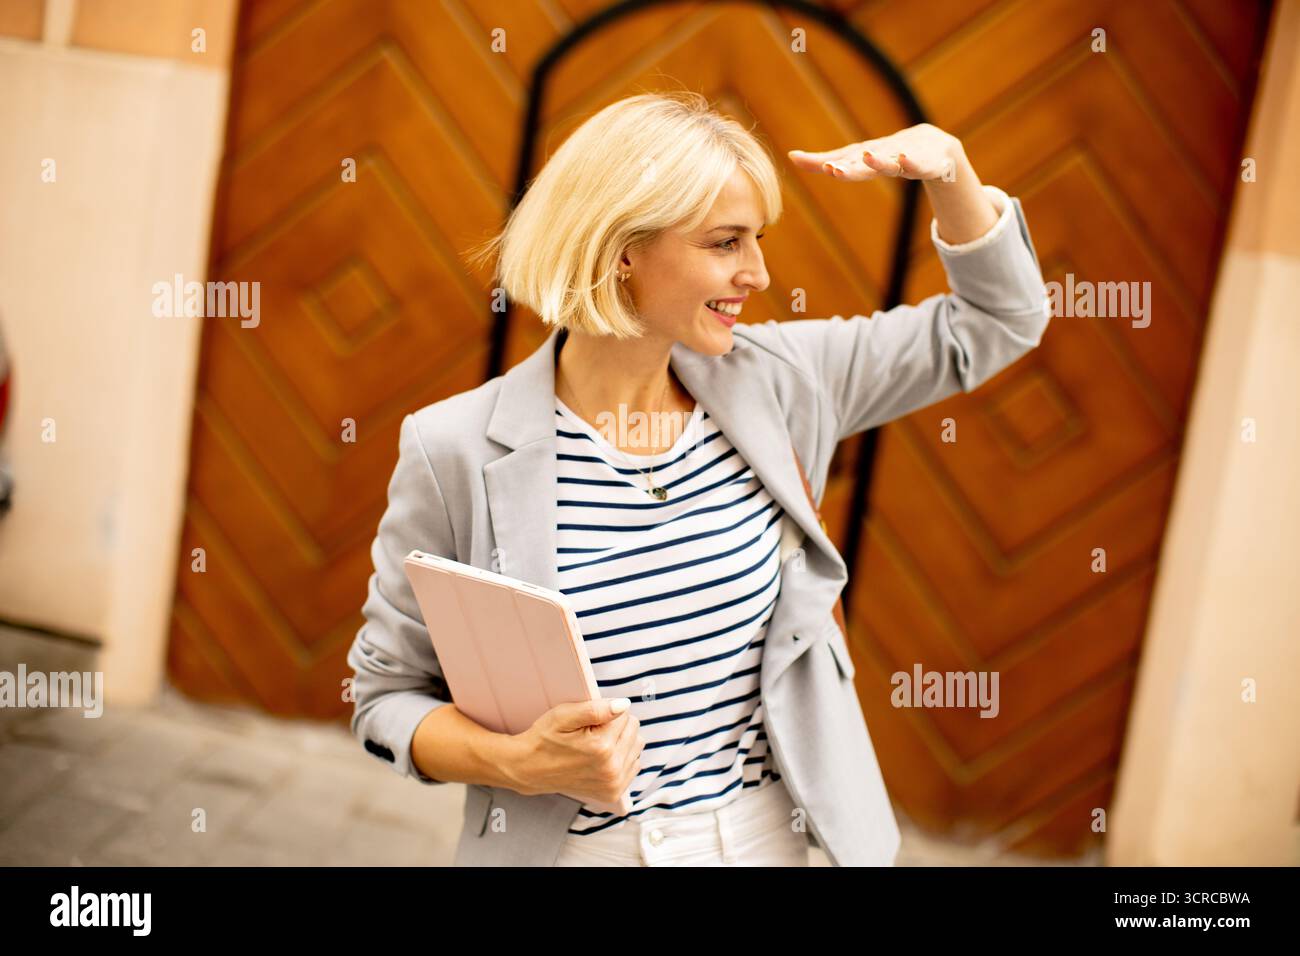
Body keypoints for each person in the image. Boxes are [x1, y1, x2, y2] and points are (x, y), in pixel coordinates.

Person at [347, 90, 1050, 867]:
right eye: (726, 242)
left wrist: (949, 170)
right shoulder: (454, 449)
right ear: (622, 248)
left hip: (768, 842)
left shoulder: (781, 381)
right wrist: (518, 762)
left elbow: (995, 324)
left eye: (757, 240)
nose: (757, 271)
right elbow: (386, 700)